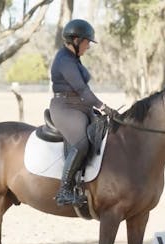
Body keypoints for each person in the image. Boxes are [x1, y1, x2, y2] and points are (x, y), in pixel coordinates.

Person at [49, 19, 117, 206]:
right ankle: (64, 190)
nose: (88, 46)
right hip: (65, 107)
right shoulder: (64, 59)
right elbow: (82, 89)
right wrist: (103, 107)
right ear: (76, 40)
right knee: (81, 143)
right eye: (87, 41)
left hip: (79, 107)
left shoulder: (74, 59)